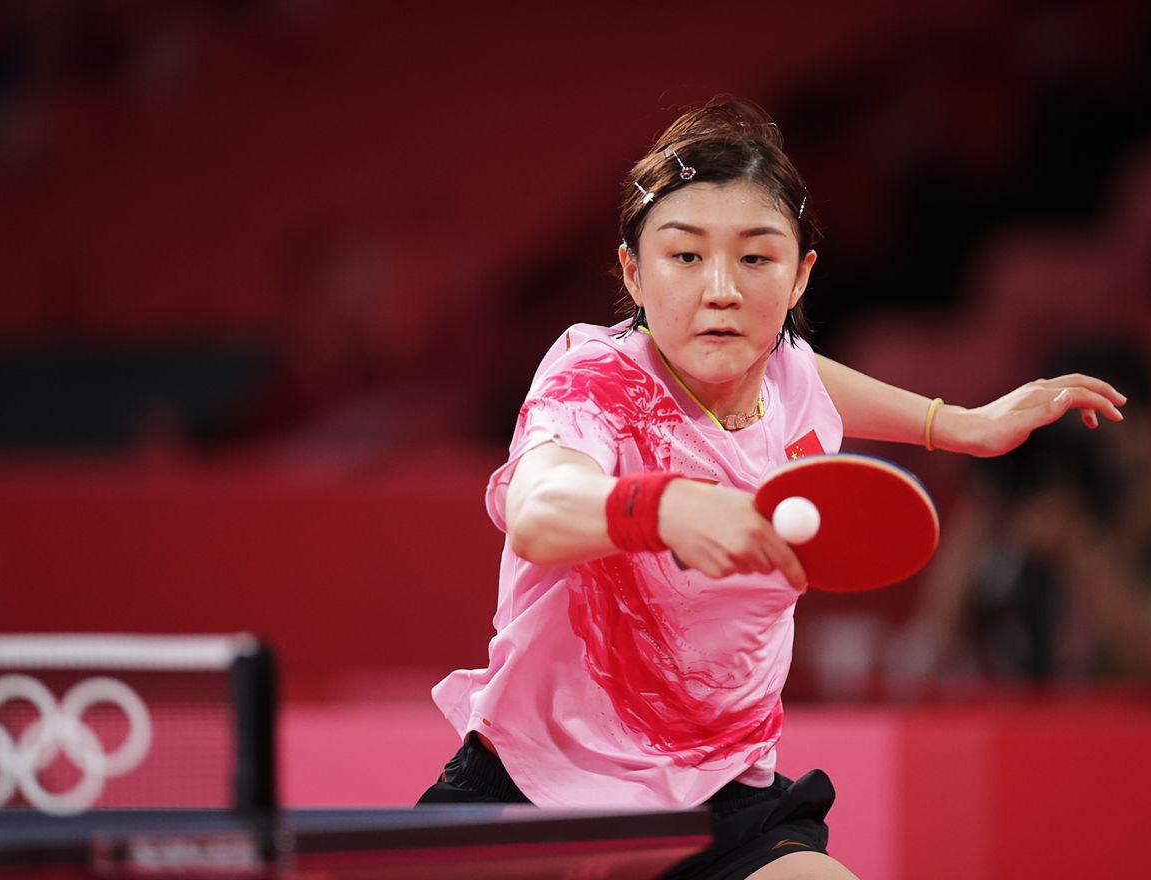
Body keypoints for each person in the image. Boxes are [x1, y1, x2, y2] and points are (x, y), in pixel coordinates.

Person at [416, 99, 1125, 880]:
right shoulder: (595, 379)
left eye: (757, 259)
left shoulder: (780, 369)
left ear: (799, 277)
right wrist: (661, 506)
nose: (722, 289)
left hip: (719, 802)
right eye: (685, 257)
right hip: (535, 793)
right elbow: (537, 512)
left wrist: (959, 425)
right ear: (632, 271)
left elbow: (805, 375)